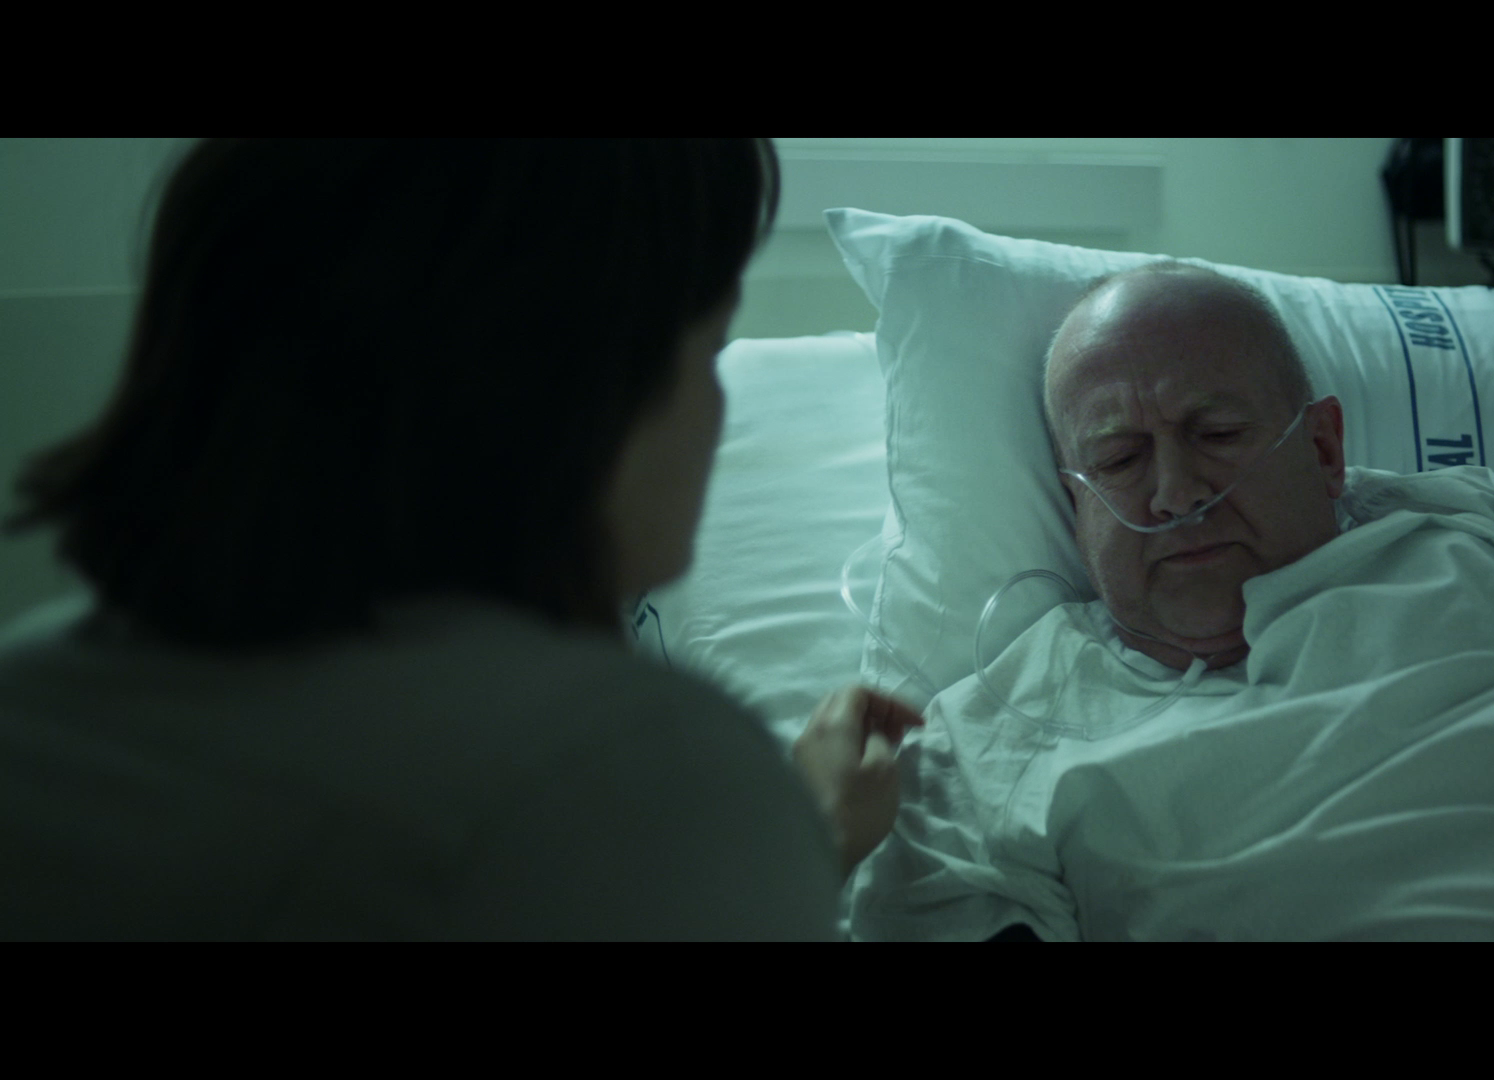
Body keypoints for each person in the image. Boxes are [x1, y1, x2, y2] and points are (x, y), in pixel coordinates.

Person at [0, 139, 919, 940]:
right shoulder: (641, 773)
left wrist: (807, 833)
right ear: (577, 391)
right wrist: (779, 837)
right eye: (711, 346)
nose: (720, 408)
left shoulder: (29, 693)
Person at [848, 261, 1494, 942]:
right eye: (1118, 459)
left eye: (1217, 434)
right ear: (1074, 512)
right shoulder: (986, 742)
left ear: (1325, 449)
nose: (1177, 493)